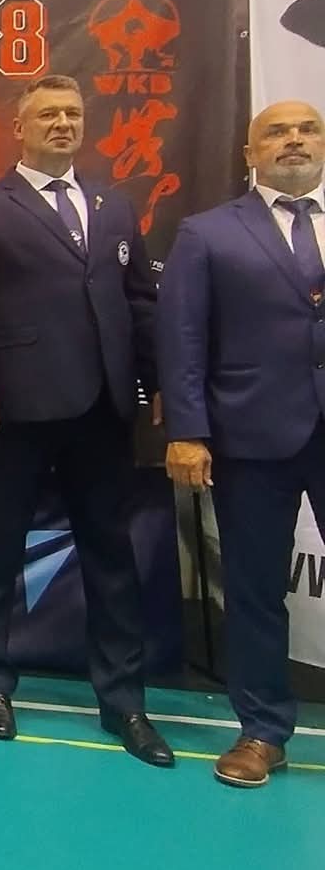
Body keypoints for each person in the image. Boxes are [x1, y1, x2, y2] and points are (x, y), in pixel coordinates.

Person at [0, 75, 173, 765]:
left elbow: (141, 301)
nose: (62, 124)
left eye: (72, 114)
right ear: (19, 127)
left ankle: (124, 703)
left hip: (103, 407)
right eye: (47, 115)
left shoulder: (113, 205)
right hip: (13, 406)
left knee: (111, 555)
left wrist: (158, 381)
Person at [159, 100, 325, 788]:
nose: (294, 140)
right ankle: (262, 731)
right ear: (250, 154)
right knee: (255, 591)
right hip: (251, 435)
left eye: (308, 129)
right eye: (276, 132)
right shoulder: (207, 233)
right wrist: (187, 431)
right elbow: (182, 338)